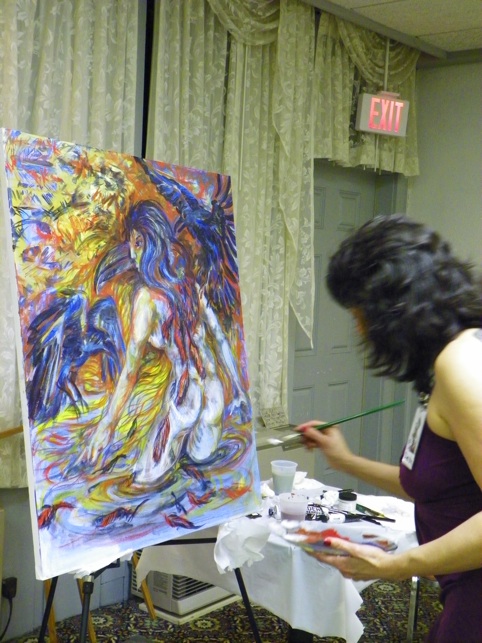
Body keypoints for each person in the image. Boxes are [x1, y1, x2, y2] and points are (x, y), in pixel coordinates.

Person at [296, 214, 482, 642]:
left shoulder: (459, 363)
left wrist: (394, 565)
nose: (359, 330)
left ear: (392, 309)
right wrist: (344, 461)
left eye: (359, 314)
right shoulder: (451, 360)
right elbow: (437, 487)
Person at [80, 199, 249, 483]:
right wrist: (240, 391)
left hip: (184, 403)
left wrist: (107, 425)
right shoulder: (190, 286)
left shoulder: (146, 299)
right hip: (213, 397)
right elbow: (220, 339)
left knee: (142, 480)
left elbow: (130, 372)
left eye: (137, 243)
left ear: (153, 240)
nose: (132, 253)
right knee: (196, 466)